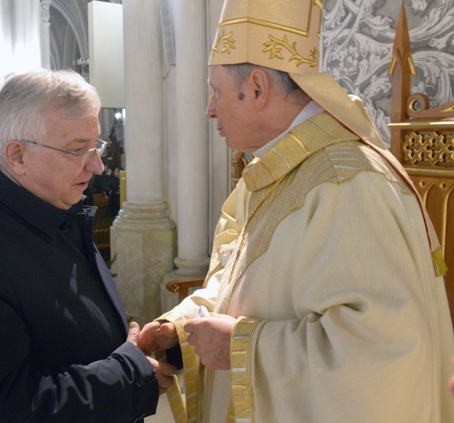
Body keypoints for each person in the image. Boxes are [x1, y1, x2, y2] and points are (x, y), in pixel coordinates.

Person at [138, 1, 454, 422]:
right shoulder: (280, 169)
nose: (209, 109)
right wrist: (180, 329)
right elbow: (243, 284)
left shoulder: (346, 184)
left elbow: (382, 349)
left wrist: (241, 348)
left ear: (256, 87)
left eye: (215, 91)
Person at [0, 69, 175, 422]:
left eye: (96, 146)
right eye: (77, 151)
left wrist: (129, 351)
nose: (98, 165)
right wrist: (128, 374)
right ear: (18, 155)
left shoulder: (57, 207)